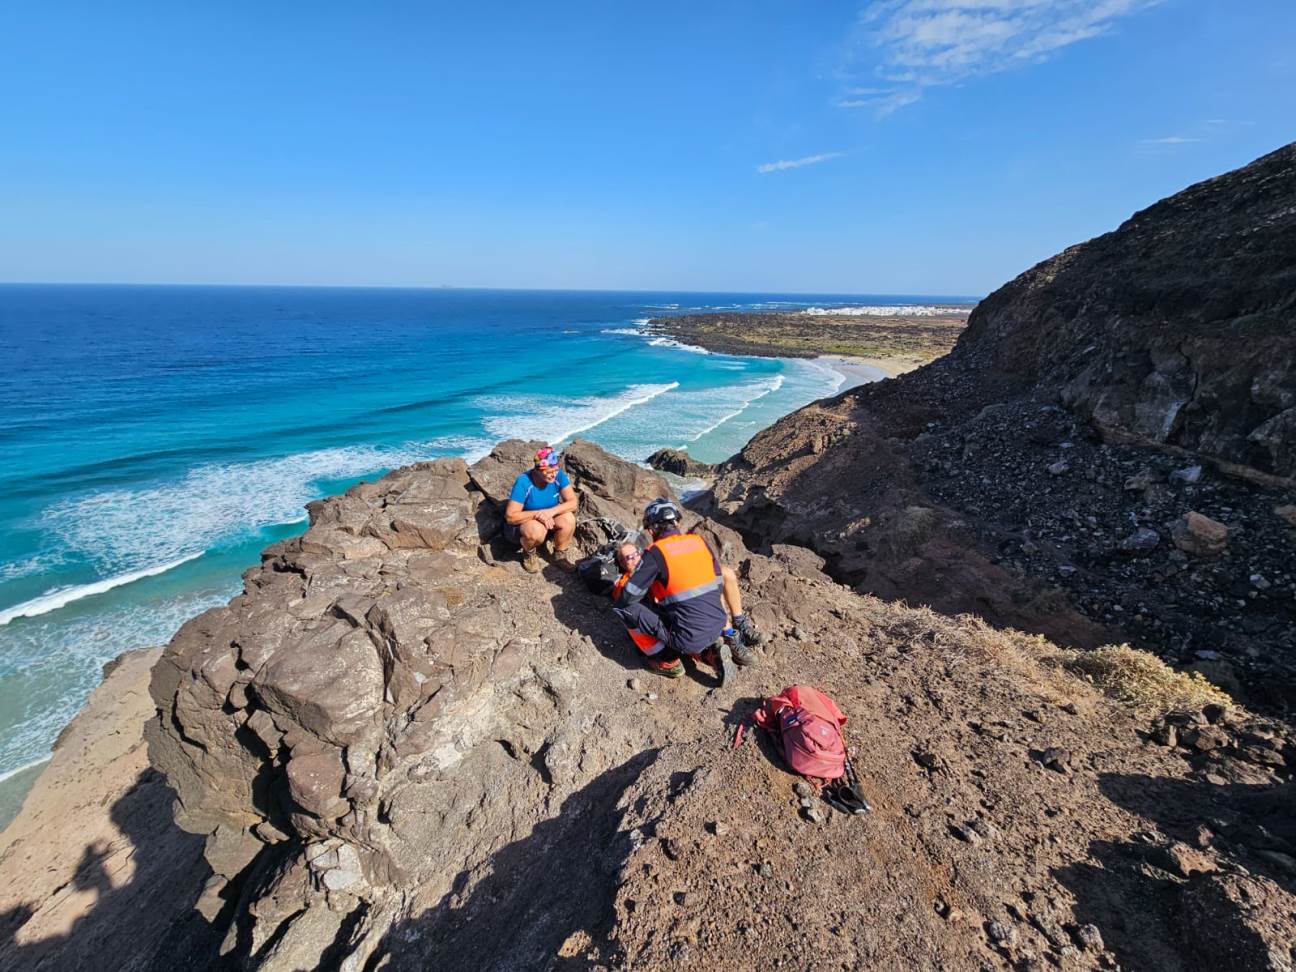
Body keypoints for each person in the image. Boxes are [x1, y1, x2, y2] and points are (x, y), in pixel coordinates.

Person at [612, 498, 756, 684]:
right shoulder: (698, 541)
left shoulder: (655, 552)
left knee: (624, 608)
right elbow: (717, 583)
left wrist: (646, 581)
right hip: (719, 624)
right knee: (685, 616)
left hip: (688, 636)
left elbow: (627, 597)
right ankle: (710, 652)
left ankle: (666, 661)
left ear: (651, 530)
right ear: (677, 522)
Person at [503, 446, 579, 573]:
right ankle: (529, 552)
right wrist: (538, 514)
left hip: (549, 518)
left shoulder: (558, 476)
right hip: (525, 525)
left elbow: (573, 502)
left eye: (555, 470)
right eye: (548, 472)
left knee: (569, 519)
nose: (553, 475)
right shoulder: (524, 482)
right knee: (536, 531)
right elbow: (510, 517)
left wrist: (550, 512)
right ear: (537, 470)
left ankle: (559, 554)